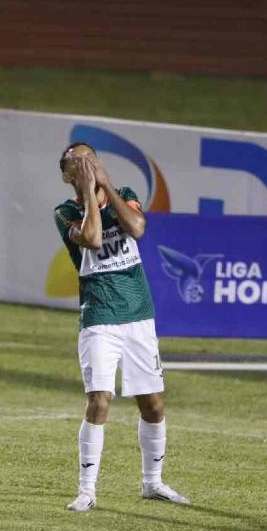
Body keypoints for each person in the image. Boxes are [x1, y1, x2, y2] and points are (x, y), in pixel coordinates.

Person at [53, 142, 189, 511]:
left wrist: (106, 185)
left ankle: (153, 483)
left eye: (90, 158)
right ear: (67, 175)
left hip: (138, 314)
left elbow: (138, 229)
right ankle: (87, 490)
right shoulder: (65, 213)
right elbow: (94, 238)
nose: (86, 164)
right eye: (77, 163)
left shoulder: (125, 196)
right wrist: (87, 196)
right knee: (99, 399)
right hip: (99, 316)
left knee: (154, 405)